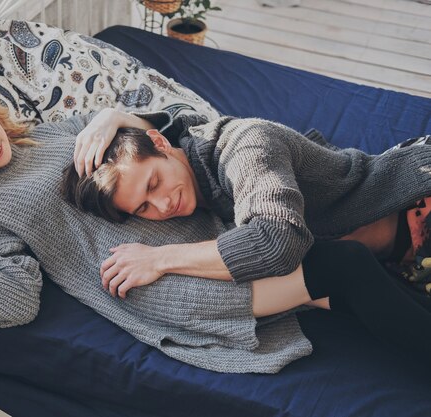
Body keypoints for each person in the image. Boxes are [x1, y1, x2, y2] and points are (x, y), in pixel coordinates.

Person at [0, 80, 331, 374]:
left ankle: (344, 271)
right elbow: (14, 301)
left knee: (270, 224)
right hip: (136, 275)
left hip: (180, 218)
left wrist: (111, 116)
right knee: (163, 289)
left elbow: (150, 142)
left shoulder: (56, 133)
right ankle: (334, 282)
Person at [62, 125, 431, 363]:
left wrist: (160, 258)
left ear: (161, 142)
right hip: (401, 259)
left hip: (417, 196)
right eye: (143, 206)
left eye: (153, 182)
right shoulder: (197, 190)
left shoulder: (244, 145)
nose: (162, 205)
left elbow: (277, 241)